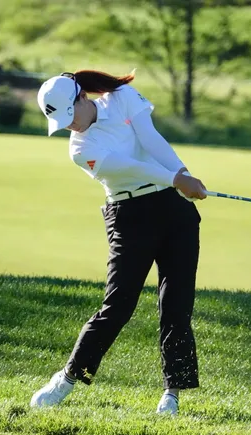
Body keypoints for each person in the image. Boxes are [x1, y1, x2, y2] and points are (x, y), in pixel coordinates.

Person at [29, 69, 207, 415]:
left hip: (174, 210)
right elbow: (128, 168)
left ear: (83, 97)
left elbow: (152, 140)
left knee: (177, 306)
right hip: (129, 217)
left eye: (70, 116)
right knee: (118, 305)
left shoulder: (122, 98)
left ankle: (172, 393)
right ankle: (67, 377)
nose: (70, 126)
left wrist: (183, 174)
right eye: (62, 123)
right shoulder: (79, 149)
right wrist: (176, 178)